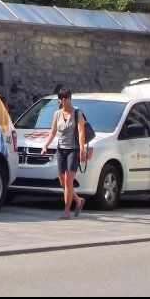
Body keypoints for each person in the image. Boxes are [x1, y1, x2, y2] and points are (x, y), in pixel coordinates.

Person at [39, 87, 87, 219]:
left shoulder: (77, 113)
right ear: (59, 100)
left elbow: (81, 131)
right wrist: (46, 146)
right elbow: (53, 132)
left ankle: (66, 211)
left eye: (67, 98)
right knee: (62, 181)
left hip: (73, 150)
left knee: (69, 180)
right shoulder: (57, 114)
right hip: (61, 149)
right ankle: (78, 200)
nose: (65, 101)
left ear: (70, 99)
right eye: (62, 98)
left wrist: (82, 149)